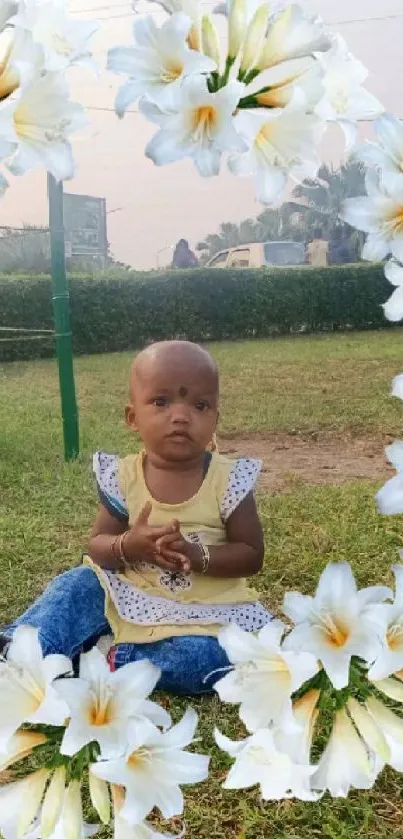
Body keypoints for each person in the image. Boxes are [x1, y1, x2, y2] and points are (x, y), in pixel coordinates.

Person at [0, 341, 271, 695]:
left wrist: (197, 555)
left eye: (199, 405)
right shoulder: (123, 476)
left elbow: (252, 554)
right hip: (130, 593)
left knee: (217, 659)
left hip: (204, 614)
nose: (180, 416)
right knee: (78, 585)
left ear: (215, 419)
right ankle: (24, 650)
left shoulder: (229, 479)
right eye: (161, 402)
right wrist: (128, 546)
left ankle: (109, 659)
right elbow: (99, 546)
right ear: (132, 417)